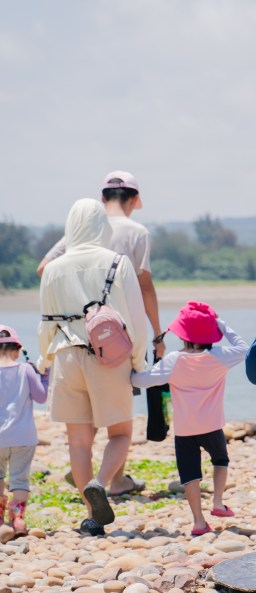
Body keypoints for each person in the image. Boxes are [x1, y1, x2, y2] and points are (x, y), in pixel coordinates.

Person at [40, 171, 159, 497]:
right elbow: (133, 318)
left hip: (65, 357)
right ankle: (100, 483)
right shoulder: (116, 263)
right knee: (120, 433)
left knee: (78, 441)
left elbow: (46, 322)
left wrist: (43, 360)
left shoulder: (53, 268)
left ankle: (91, 514)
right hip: (107, 359)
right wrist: (137, 360)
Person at [130, 302, 248, 536]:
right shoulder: (220, 357)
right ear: (211, 334)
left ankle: (199, 522)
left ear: (183, 335)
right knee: (220, 460)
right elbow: (244, 348)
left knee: (190, 475)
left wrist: (132, 368)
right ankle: (217, 502)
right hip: (212, 425)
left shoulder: (174, 360)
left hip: (184, 430)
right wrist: (220, 324)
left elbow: (140, 381)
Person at [0, 326, 49, 536]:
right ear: (17, 350)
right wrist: (45, 376)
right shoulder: (25, 369)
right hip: (24, 436)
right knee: (19, 479)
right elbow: (41, 397)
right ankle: (18, 519)